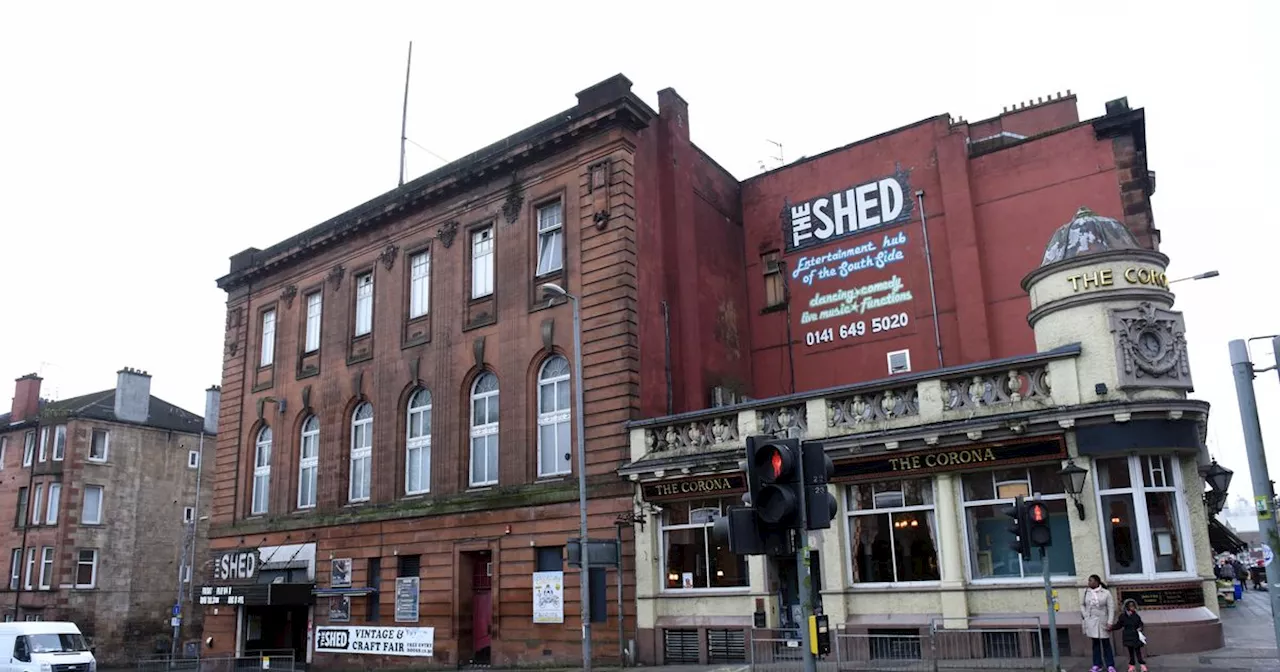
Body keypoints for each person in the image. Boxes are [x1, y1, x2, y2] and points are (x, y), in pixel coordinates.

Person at [1082, 574, 1117, 672]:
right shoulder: (1086, 592)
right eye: (1089, 581)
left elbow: (1111, 608)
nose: (1089, 583)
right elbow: (1082, 604)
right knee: (1095, 644)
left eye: (1091, 581)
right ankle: (1097, 664)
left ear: (1097, 582)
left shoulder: (1105, 593)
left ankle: (1110, 665)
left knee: (1106, 643)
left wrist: (1110, 622)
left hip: (1103, 621)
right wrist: (1085, 615)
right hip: (1091, 621)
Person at [1112, 598, 1147, 672]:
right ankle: (1132, 666)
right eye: (1130, 606)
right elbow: (1119, 625)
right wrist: (1111, 628)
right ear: (1127, 607)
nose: (1132, 607)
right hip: (1127, 636)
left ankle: (1142, 665)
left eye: (1133, 606)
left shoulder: (1136, 615)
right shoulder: (1123, 616)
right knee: (1130, 652)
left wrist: (1140, 627)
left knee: (1138, 652)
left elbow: (1140, 623)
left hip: (1135, 636)